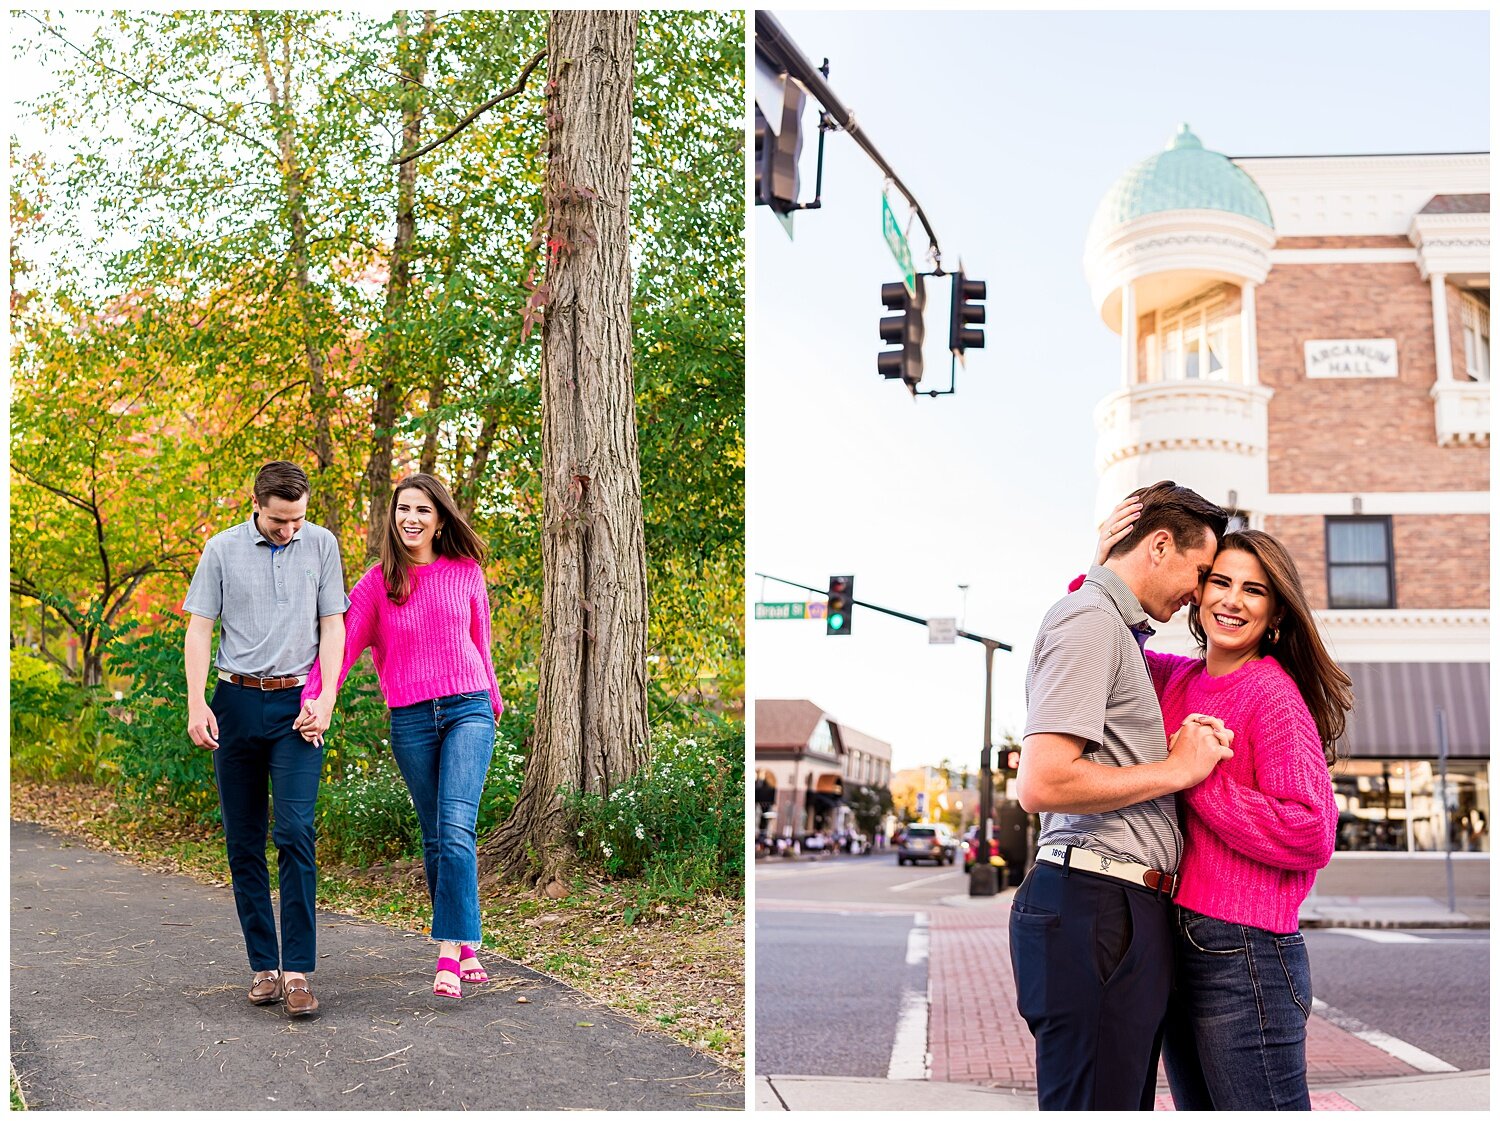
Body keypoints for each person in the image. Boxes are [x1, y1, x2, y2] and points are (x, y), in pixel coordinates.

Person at [1097, 497, 1352, 1110]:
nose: (1232, 601)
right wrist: (1104, 565)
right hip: (1179, 940)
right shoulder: (1181, 680)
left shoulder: (1272, 693)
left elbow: (1312, 832)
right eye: (1220, 582)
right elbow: (1110, 641)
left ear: (1275, 613)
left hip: (1249, 952)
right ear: (1198, 590)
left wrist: (1197, 778)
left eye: (1254, 591)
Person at [1010, 480, 1233, 1111]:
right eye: (1200, 571)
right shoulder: (1088, 621)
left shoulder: (1103, 619)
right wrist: (1177, 769)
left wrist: (1095, 571)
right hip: (1097, 906)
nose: (1201, 593)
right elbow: (1043, 781)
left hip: (1112, 907)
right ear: (1160, 545)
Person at [301, 473, 502, 1000]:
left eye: (422, 510)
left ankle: (447, 954)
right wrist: (318, 698)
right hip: (411, 718)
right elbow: (340, 646)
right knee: (436, 836)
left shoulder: (466, 572)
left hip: (468, 709)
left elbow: (481, 644)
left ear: (440, 520)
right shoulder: (378, 583)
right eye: (402, 509)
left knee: (456, 829)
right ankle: (467, 944)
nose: (410, 519)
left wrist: (493, 703)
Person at [183, 461, 349, 1017]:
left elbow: (334, 625)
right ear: (256, 504)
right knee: (243, 841)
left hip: (298, 705)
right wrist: (196, 700)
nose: (290, 530)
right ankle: (264, 967)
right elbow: (200, 627)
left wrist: (325, 699)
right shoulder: (221, 550)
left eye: (298, 519)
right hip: (233, 702)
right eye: (280, 521)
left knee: (296, 831)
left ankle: (299, 971)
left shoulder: (322, 545)